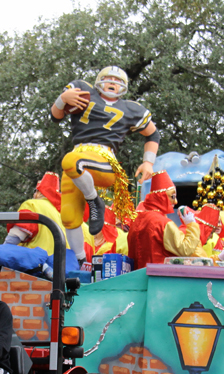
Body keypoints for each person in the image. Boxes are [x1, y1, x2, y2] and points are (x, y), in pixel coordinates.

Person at [50, 65, 160, 262]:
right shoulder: (84, 91)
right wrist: (62, 99)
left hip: (104, 159)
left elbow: (153, 133)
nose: (112, 83)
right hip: (78, 156)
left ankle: (95, 201)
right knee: (69, 216)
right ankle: (80, 261)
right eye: (109, 78)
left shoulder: (131, 108)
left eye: (118, 81)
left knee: (70, 161)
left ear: (124, 87)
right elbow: (55, 116)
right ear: (99, 80)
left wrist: (148, 163)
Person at [126, 171, 207, 269]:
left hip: (138, 277)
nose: (175, 202)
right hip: (159, 278)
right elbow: (185, 249)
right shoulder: (163, 223)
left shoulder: (137, 220)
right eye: (172, 197)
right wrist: (192, 224)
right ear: (162, 196)